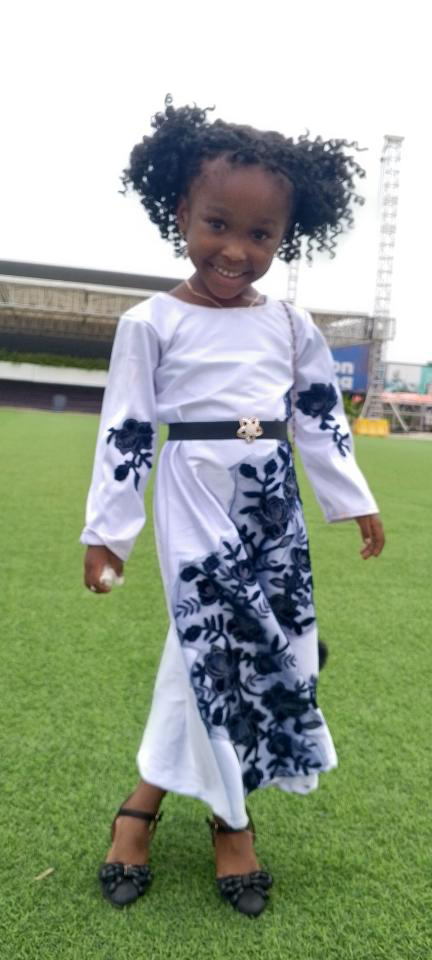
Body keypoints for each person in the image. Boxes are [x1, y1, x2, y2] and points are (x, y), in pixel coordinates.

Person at [81, 97, 385, 918]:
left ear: (287, 239)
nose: (236, 250)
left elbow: (317, 417)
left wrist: (352, 499)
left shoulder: (290, 324)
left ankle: (141, 808)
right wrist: (108, 532)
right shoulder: (150, 323)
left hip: (271, 501)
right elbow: (127, 428)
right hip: (193, 490)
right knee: (212, 643)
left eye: (262, 235)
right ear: (182, 211)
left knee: (247, 649)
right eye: (218, 224)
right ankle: (231, 827)